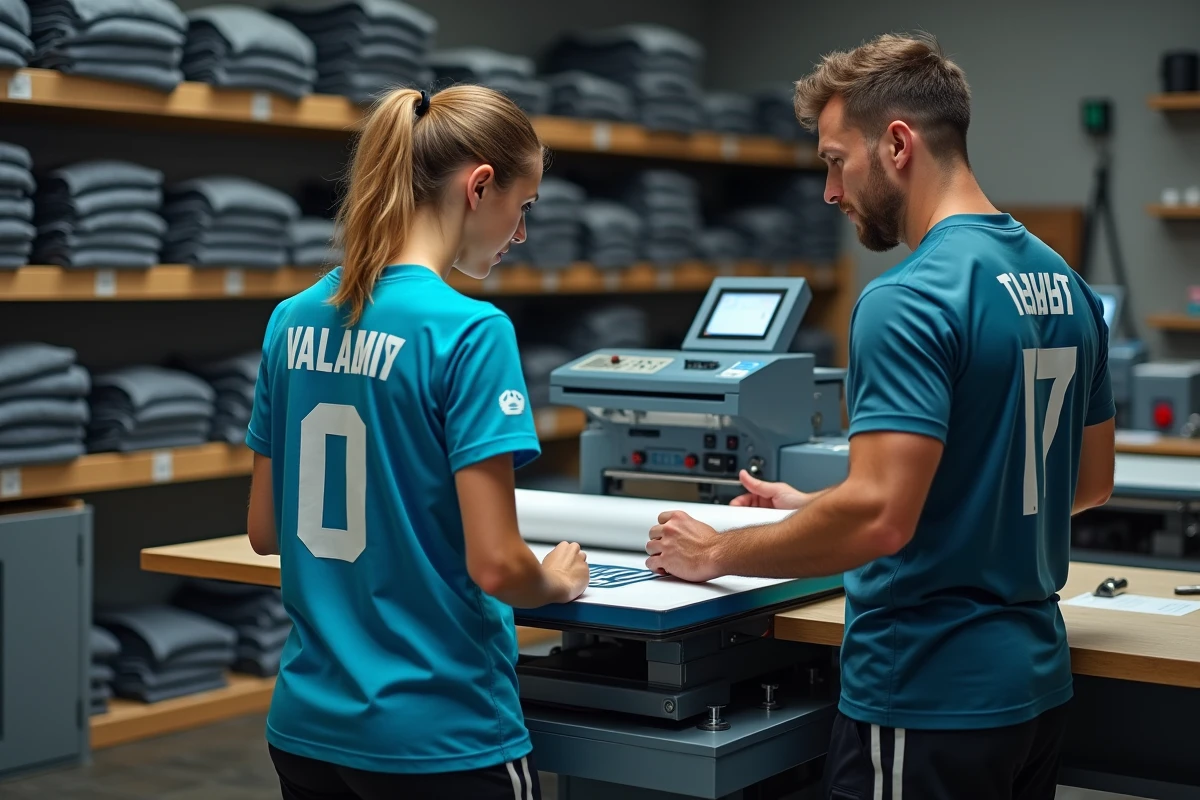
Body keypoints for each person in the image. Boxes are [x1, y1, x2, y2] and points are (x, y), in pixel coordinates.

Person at [644, 32, 1115, 800]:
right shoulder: (1065, 284)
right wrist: (821, 507)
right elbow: (1087, 483)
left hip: (927, 693)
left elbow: (881, 521)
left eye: (837, 161)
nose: (831, 192)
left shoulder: (909, 298)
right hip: (1032, 692)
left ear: (897, 145)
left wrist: (717, 554)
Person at [244, 84, 591, 800]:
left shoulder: (290, 320)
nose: (521, 234)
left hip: (307, 730)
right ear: (480, 186)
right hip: (440, 735)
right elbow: (497, 565)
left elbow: (264, 531)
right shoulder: (470, 330)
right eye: (523, 206)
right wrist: (554, 581)